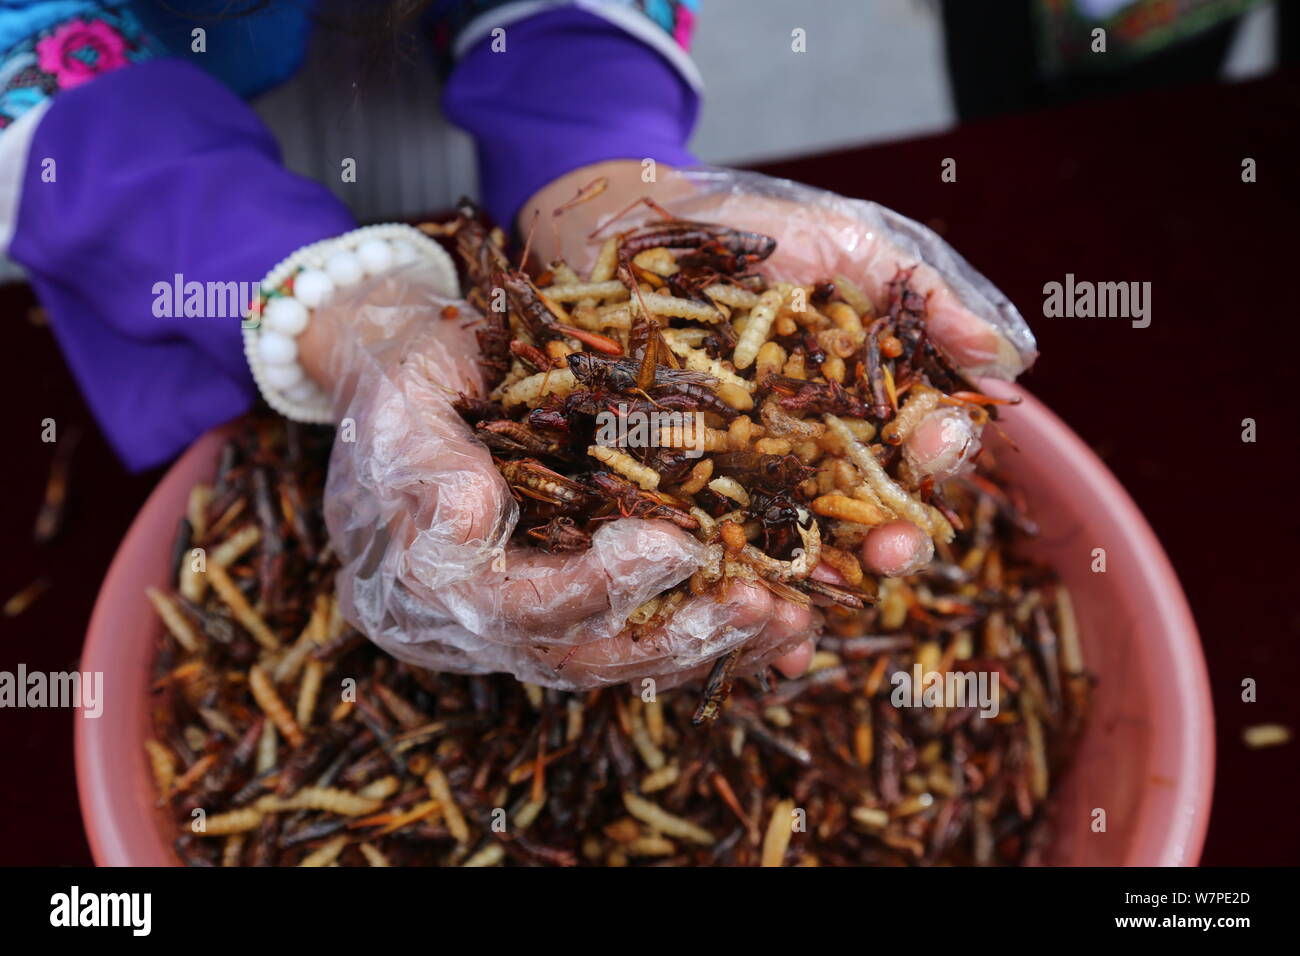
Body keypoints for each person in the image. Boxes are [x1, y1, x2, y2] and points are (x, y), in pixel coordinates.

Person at [0, 1, 1033, 688]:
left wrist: (593, 159)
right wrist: (339, 315)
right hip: (130, 145)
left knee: (480, 352)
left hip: (458, 67)